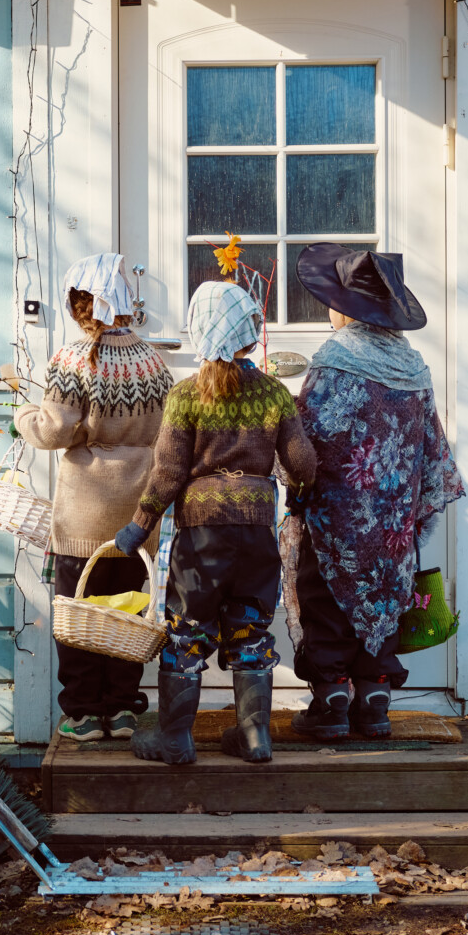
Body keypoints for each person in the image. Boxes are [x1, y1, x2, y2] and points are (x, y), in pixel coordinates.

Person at [112, 281, 318, 766]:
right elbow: (303, 463)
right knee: (250, 629)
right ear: (249, 334)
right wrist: (297, 495)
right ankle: (255, 739)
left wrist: (139, 526)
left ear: (198, 333)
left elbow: (167, 473)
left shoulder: (186, 396)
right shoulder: (273, 394)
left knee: (188, 630)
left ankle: (176, 739)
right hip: (256, 532)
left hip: (201, 536)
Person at [282, 244, 465, 741]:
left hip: (337, 518)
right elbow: (432, 450)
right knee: (384, 598)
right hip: (391, 525)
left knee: (325, 598)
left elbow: (305, 439)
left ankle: (332, 701)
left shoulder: (334, 359)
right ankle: (376, 695)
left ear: (347, 309)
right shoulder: (413, 366)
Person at [14, 253, 174, 743]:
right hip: (138, 509)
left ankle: (82, 713)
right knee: (129, 608)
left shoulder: (72, 359)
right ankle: (123, 709)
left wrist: (23, 416)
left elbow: (54, 429)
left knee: (78, 609)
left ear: (80, 302)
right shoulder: (153, 360)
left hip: (85, 509)